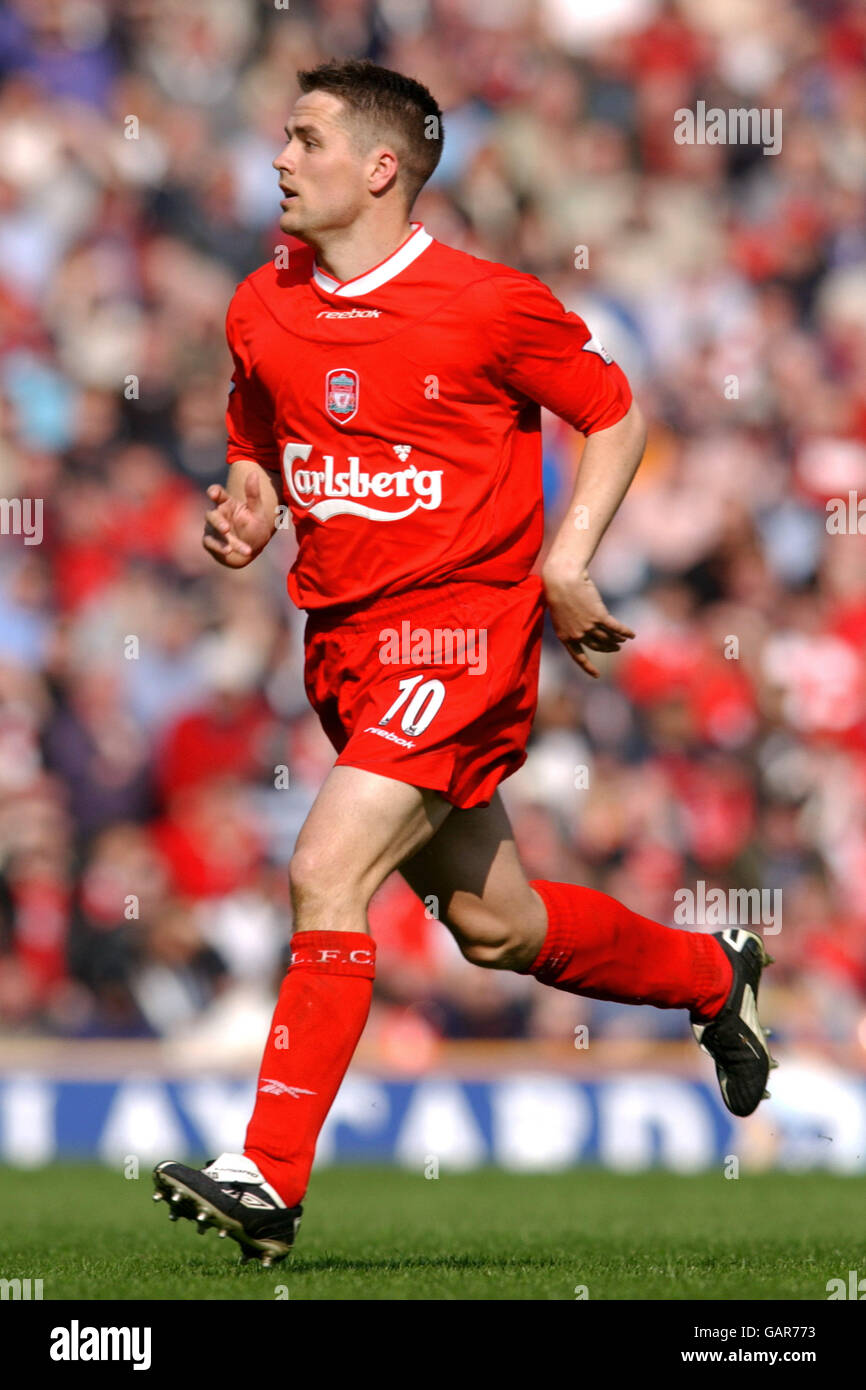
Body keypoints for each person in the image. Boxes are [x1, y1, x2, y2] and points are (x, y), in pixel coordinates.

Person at [152, 59, 775, 1268]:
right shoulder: (260, 301)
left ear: (379, 169)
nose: (278, 158)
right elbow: (257, 428)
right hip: (340, 653)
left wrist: (564, 560)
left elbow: (613, 411)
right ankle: (714, 974)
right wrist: (246, 500)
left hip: (456, 639)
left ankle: (266, 1178)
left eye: (305, 139)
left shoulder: (485, 303)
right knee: (497, 925)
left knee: (324, 871)